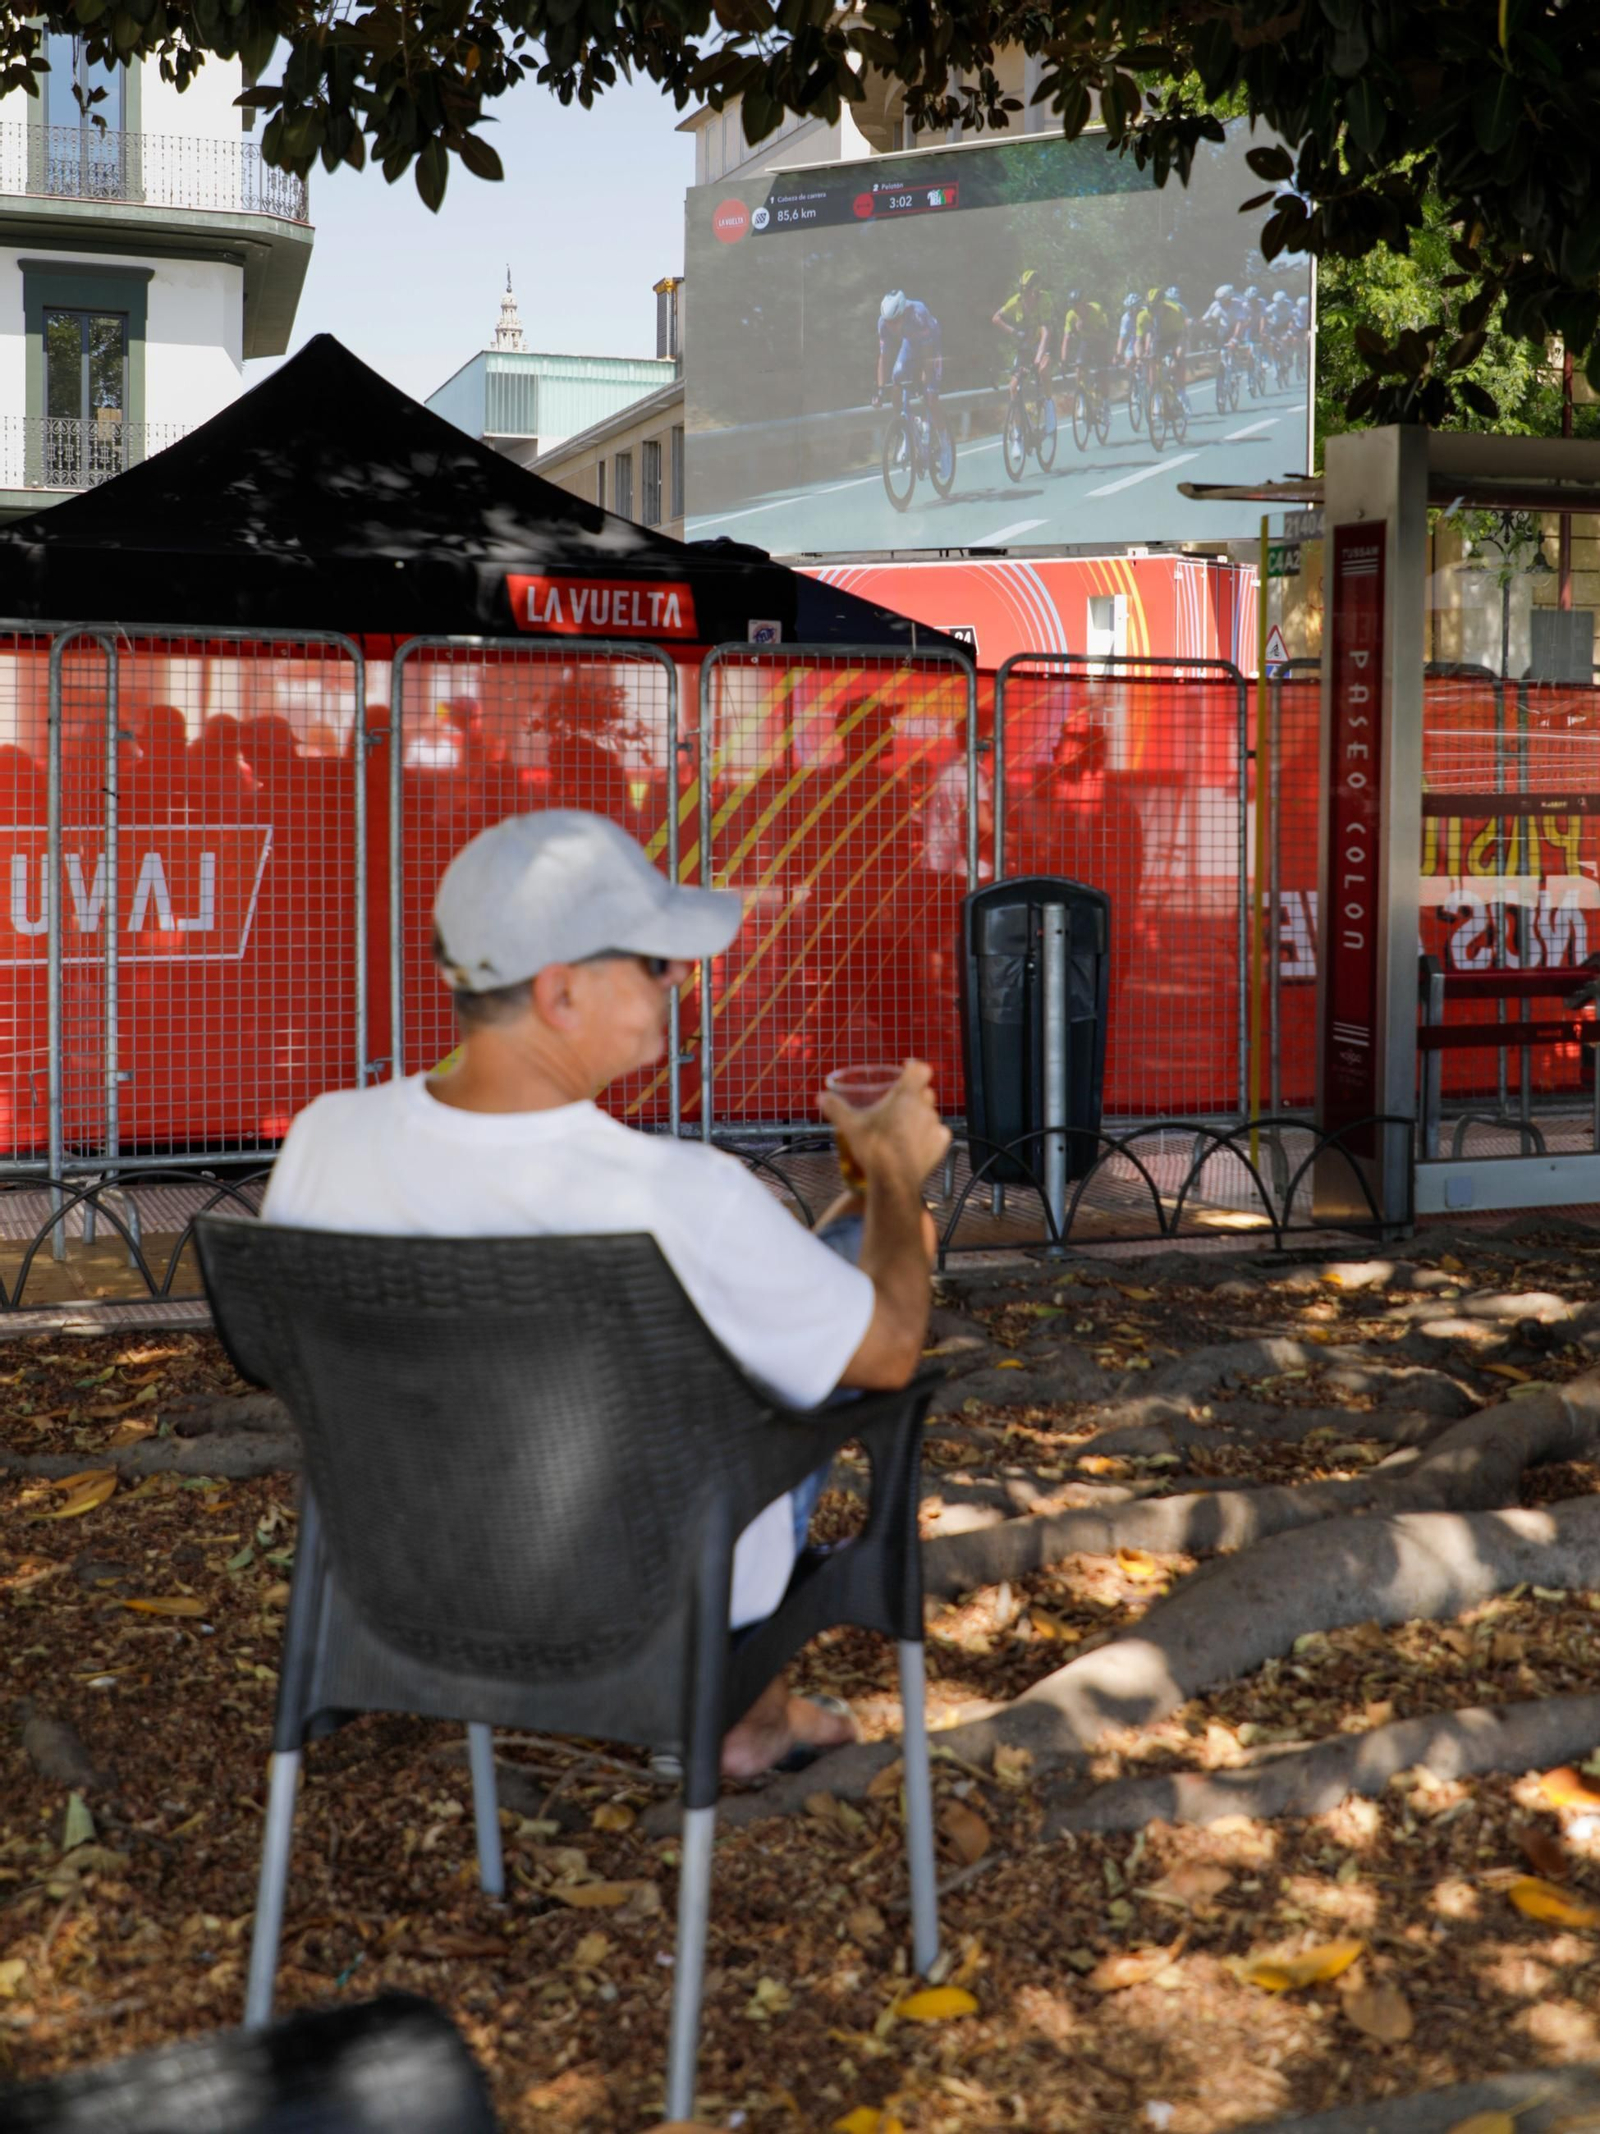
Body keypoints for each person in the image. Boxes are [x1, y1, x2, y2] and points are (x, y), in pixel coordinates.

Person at [261, 810, 950, 1780]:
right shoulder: (680, 1194)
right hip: (652, 1601)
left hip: (401, 1595)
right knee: (844, 1295)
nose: (681, 977)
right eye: (655, 961)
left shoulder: (325, 1141)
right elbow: (888, 1350)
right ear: (560, 992)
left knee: (779, 1292)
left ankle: (749, 1720)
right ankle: (740, 1713)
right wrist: (897, 1175)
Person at [874, 290, 944, 422]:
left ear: (903, 314)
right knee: (897, 377)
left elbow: (927, 357)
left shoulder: (919, 313)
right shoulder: (883, 324)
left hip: (931, 345)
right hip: (911, 343)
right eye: (888, 321)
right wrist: (880, 390)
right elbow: (884, 358)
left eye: (894, 321)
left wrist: (923, 380)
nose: (891, 326)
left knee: (930, 397)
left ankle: (944, 439)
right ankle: (901, 424)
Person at [992, 268, 1054, 394]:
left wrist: (1038, 357)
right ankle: (1017, 412)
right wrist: (1014, 332)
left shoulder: (1045, 300)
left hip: (1045, 341)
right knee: (1013, 387)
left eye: (1028, 292)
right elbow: (996, 318)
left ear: (1036, 292)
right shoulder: (1016, 301)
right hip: (1027, 343)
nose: (1024, 296)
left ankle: (1049, 405)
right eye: (1022, 292)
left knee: (1043, 369)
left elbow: (1046, 332)